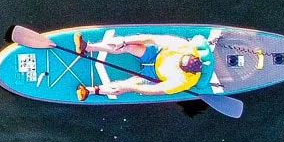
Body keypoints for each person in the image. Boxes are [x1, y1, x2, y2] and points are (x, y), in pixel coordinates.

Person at [77, 31, 209, 100]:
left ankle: (90, 91)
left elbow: (155, 90)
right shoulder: (185, 47)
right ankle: (87, 47)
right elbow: (151, 38)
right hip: (155, 55)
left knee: (125, 85)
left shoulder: (184, 82)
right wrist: (123, 41)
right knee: (128, 46)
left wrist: (131, 87)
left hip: (154, 76)